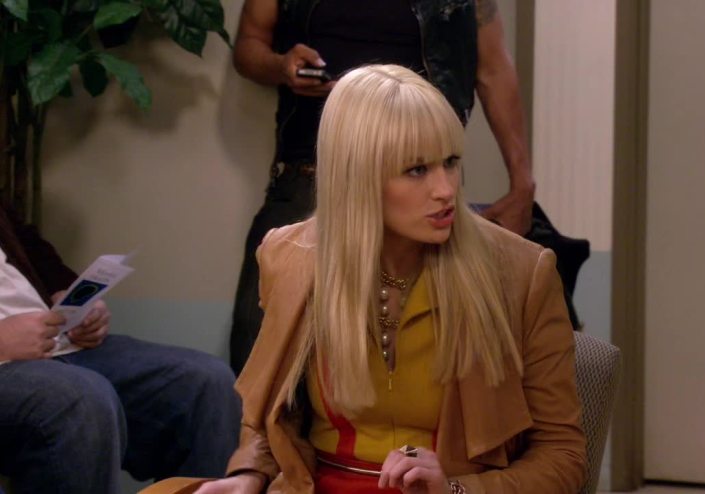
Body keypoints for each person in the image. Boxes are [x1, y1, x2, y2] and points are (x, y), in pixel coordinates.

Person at [192, 65, 585, 494]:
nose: (445, 189)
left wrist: (456, 490)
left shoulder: (522, 273)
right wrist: (248, 476)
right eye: (417, 170)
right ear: (356, 177)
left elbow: (563, 458)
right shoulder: (290, 258)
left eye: (450, 162)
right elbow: (270, 417)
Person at [229, 0, 535, 374]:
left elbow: (493, 68)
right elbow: (249, 45)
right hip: (311, 179)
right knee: (261, 351)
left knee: (441, 358)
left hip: (421, 186)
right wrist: (281, 66)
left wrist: (522, 183)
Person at [0, 204, 242, 494]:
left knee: (207, 381)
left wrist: (71, 296)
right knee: (78, 399)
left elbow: (26, 243)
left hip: (56, 343)